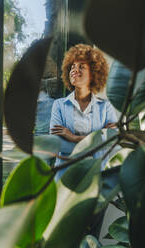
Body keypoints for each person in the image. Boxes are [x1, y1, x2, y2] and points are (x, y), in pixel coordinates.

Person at [50, 43, 117, 181]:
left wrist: (73, 138)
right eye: (72, 66)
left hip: (95, 176)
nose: (75, 70)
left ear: (93, 73)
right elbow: (56, 144)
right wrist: (96, 140)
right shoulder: (59, 105)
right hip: (65, 176)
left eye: (81, 66)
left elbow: (111, 141)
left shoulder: (105, 107)